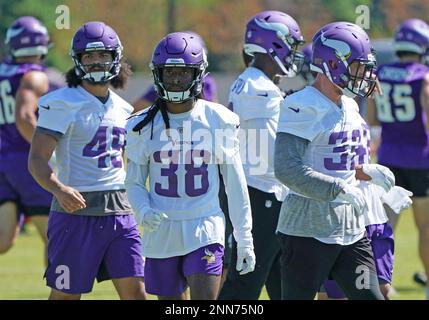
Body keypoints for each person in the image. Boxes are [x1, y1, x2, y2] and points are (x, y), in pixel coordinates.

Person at [125, 32, 255, 300]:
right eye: (168, 71)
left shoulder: (219, 119)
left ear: (198, 73)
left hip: (204, 226)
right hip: (162, 229)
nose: (174, 78)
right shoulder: (141, 125)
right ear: (157, 74)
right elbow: (134, 182)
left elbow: (235, 184)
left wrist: (245, 238)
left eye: (182, 72)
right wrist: (143, 211)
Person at [28, 21, 146, 300]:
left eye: (103, 55)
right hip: (75, 211)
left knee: (136, 294)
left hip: (120, 210)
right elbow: (36, 159)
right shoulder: (60, 102)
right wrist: (58, 188)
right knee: (66, 295)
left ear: (115, 58)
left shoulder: (123, 108)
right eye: (89, 56)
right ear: (78, 60)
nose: (96, 62)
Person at [274, 22, 389, 300]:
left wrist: (366, 173)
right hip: (306, 232)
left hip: (350, 231)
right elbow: (287, 169)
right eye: (358, 67)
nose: (364, 74)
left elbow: (340, 164)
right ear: (332, 64)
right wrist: (338, 189)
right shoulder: (301, 104)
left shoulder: (348, 104)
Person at [219, 10, 304, 300]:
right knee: (244, 287)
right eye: (290, 46)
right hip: (262, 195)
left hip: (260, 193)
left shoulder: (251, 81)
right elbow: (270, 157)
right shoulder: (262, 90)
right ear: (274, 45)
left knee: (285, 286)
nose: (294, 54)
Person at [367, 18, 429, 299]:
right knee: (425, 226)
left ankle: (380, 286)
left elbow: (373, 117)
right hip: (420, 158)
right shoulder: (423, 76)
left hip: (388, 157)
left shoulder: (380, 73)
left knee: (385, 225)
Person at [0, 16, 53, 263]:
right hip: (27, 160)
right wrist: (51, 153)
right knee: (58, 237)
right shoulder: (35, 76)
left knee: (3, 240)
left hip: (3, 161)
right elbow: (24, 118)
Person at [132, 31, 218, 112]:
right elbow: (136, 108)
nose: (175, 80)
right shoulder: (139, 121)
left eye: (185, 72)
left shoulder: (207, 83)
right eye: (169, 72)